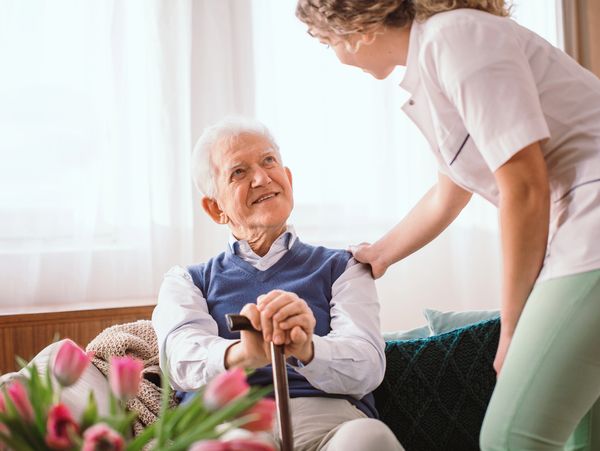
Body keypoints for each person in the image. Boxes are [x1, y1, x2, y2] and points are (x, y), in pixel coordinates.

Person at [295, 0, 600, 450]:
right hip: (578, 230)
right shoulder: (435, 62)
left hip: (590, 228)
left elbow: (524, 187)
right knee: (579, 437)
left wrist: (514, 326)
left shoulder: (454, 38)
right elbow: (448, 192)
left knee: (511, 437)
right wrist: (380, 254)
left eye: (328, 44)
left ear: (354, 30)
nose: (337, 57)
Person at [152, 117, 404, 451]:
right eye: (239, 172)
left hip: (328, 423)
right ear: (215, 208)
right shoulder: (186, 282)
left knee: (369, 439)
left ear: (288, 178)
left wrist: (306, 348)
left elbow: (368, 365)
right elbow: (179, 360)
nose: (261, 177)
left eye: (269, 161)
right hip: (228, 424)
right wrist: (242, 354)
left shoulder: (345, 267)